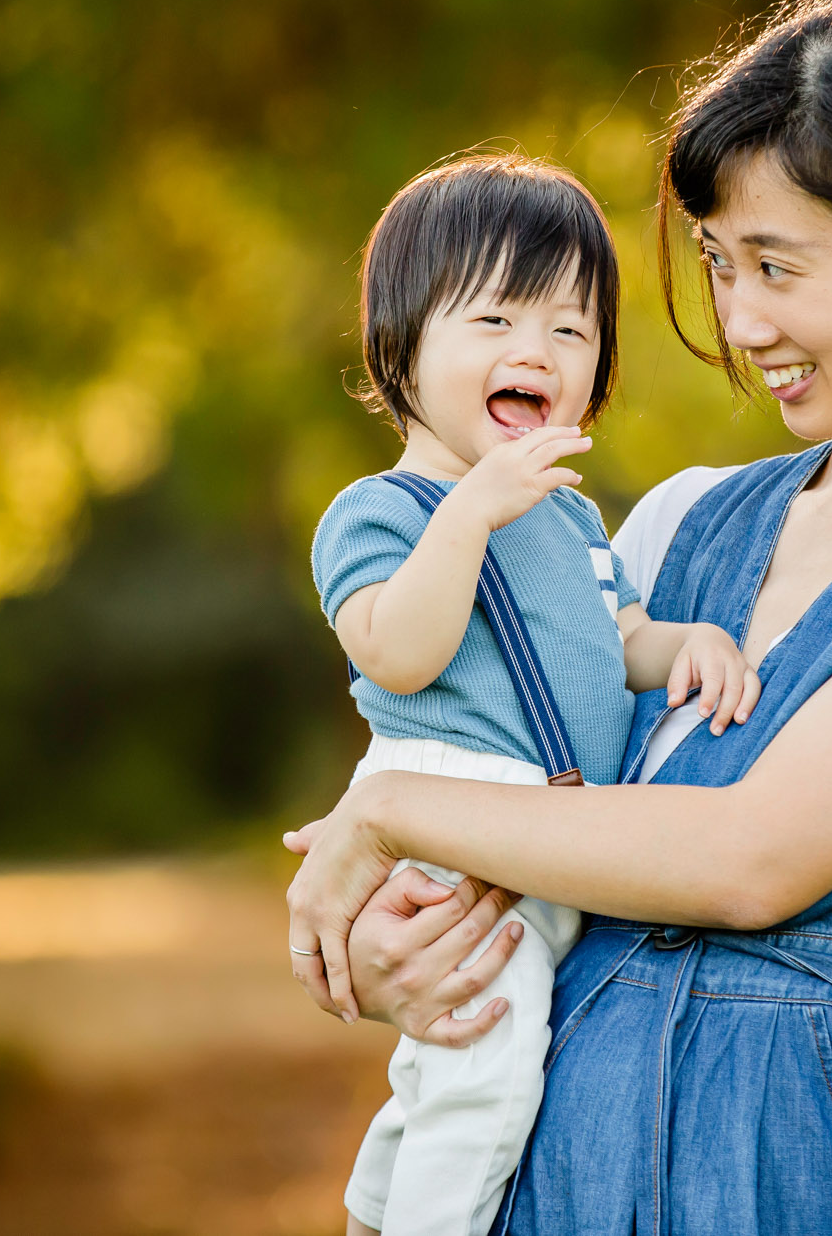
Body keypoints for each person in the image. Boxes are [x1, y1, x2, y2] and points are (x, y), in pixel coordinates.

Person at [287, 0, 832, 1234]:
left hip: (769, 1180)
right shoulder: (683, 520)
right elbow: (526, 802)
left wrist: (391, 812)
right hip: (540, 1186)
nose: (739, 322)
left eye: (777, 266)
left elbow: (752, 861)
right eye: (715, 263)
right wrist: (399, 953)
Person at [308, 153, 757, 1236]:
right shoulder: (381, 512)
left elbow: (609, 640)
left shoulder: (566, 516)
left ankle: (378, 1215)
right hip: (455, 816)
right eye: (496, 319)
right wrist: (469, 514)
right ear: (400, 344)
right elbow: (396, 652)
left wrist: (678, 642)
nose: (537, 351)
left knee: (457, 1059)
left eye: (570, 329)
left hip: (549, 828)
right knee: (486, 1069)